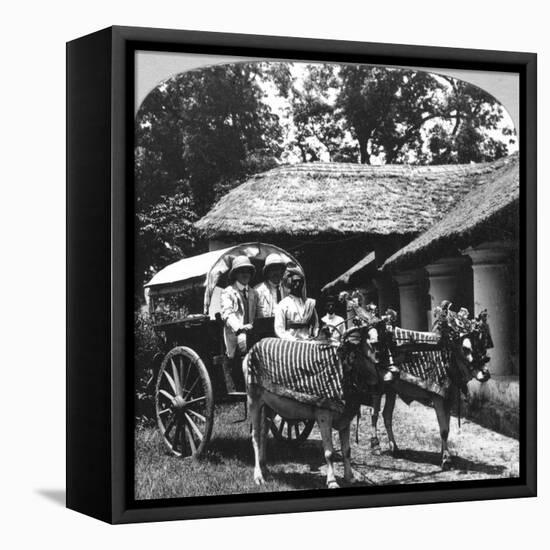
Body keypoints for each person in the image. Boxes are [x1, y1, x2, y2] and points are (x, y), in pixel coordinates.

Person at [220, 255, 261, 358]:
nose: (245, 274)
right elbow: (227, 314)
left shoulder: (254, 293)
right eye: (242, 271)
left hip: (253, 335)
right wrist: (239, 328)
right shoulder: (228, 292)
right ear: (235, 274)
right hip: (236, 337)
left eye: (247, 271)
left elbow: (259, 315)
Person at [274, 267, 319, 341]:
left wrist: (315, 335)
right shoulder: (283, 304)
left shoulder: (309, 303)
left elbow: (316, 325)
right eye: (295, 281)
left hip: (308, 341)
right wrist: (294, 340)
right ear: (289, 283)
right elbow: (279, 329)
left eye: (300, 282)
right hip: (291, 342)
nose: (298, 284)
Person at [254, 253, 288, 318]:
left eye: (278, 269)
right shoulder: (258, 290)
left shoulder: (288, 289)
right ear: (267, 272)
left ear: (282, 271)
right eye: (273, 270)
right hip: (266, 326)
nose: (276, 273)